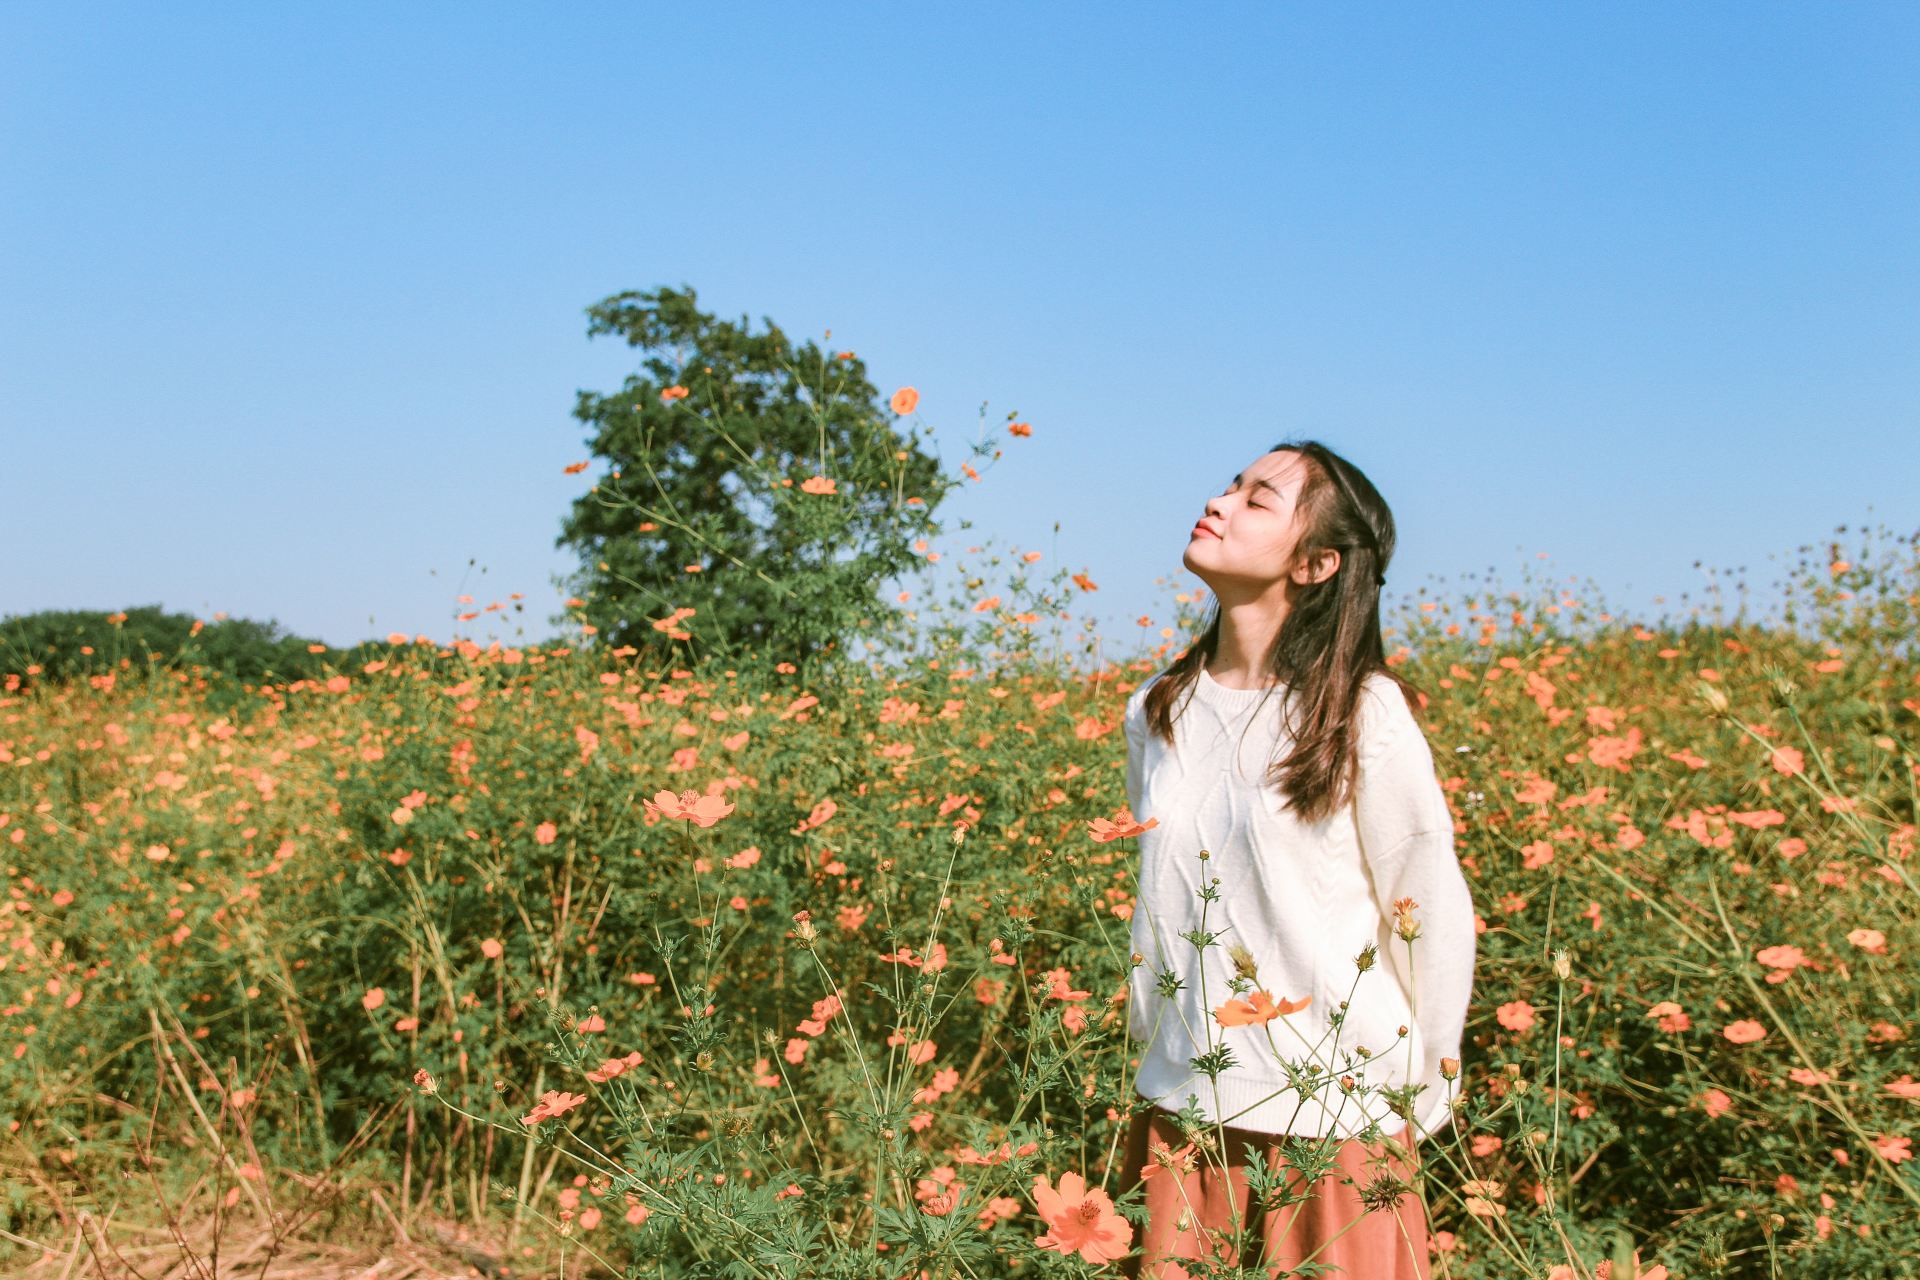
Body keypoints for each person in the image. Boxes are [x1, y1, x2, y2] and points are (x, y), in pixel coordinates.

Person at [1112, 441, 1477, 1279]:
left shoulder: (1360, 711)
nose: (1220, 499)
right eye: (1231, 484)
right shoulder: (1159, 708)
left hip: (1333, 1126)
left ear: (1316, 564)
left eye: (1257, 499)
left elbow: (1428, 907)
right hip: (1183, 1108)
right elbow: (1162, 894)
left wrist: (1419, 1097)